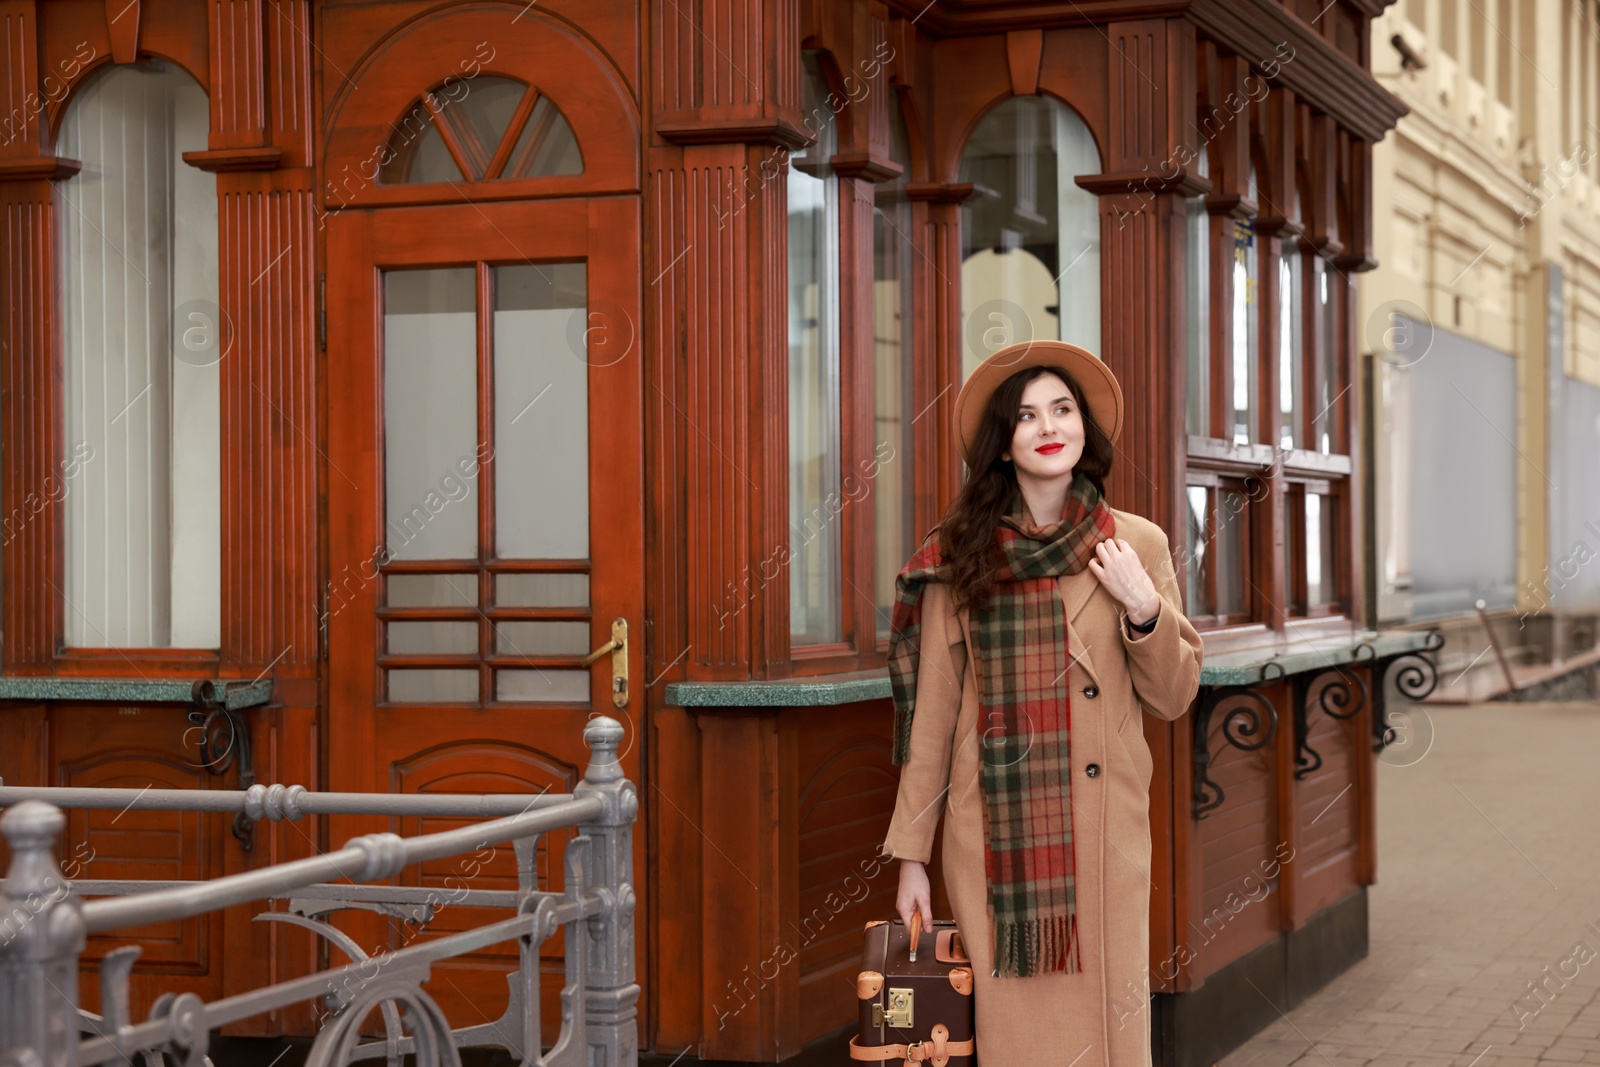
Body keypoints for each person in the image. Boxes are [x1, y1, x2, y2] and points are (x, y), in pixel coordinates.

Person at [880, 340, 1203, 1065]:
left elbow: (1175, 695)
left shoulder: (1136, 545)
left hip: (1104, 831)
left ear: (1084, 427)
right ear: (1002, 444)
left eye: (1062, 409)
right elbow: (933, 714)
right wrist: (912, 857)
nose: (1048, 426)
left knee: (1111, 1030)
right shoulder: (958, 553)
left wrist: (1144, 607)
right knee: (1017, 1032)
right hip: (997, 836)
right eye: (1026, 416)